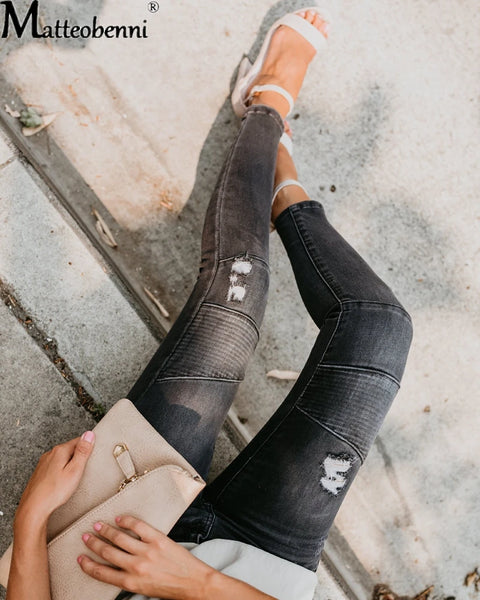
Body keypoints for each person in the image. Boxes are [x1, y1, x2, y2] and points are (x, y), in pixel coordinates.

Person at [6, 8, 413, 600]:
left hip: (110, 551)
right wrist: (196, 581)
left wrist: (30, 519)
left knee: (236, 291)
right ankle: (284, 191)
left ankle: (265, 106)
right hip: (266, 567)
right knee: (378, 329)